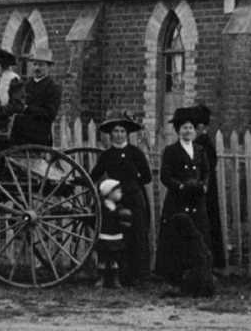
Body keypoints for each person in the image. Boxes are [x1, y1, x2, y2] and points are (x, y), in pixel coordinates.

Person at [90, 110, 152, 285]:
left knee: (137, 234)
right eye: (116, 132)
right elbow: (95, 174)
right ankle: (118, 276)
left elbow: (147, 177)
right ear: (110, 135)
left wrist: (134, 178)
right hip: (116, 200)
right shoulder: (107, 155)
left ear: (127, 134)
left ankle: (139, 276)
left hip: (134, 198)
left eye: (122, 132)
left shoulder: (135, 153)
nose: (119, 135)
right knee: (118, 237)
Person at [154, 106, 211, 283]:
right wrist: (179, 186)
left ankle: (197, 272)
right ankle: (174, 275)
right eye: (184, 128)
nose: (188, 131)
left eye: (191, 128)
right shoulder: (171, 151)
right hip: (178, 199)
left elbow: (207, 171)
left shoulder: (200, 150)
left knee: (197, 233)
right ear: (178, 131)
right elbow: (165, 176)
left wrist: (203, 186)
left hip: (196, 199)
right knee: (176, 234)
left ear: (195, 131)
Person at [192, 103, 226, 270]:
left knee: (206, 224)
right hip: (204, 187)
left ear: (199, 127)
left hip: (204, 189)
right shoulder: (203, 143)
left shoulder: (202, 145)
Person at [10, 47, 61, 147]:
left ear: (48, 67)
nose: (37, 68)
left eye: (41, 65)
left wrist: (27, 109)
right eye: (35, 64)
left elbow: (50, 114)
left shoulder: (53, 87)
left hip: (39, 135)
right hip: (20, 134)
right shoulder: (25, 84)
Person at [96, 179, 132, 289]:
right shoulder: (101, 207)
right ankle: (101, 279)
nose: (120, 193)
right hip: (104, 236)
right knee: (102, 259)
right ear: (109, 193)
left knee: (114, 260)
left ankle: (115, 280)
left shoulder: (119, 207)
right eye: (118, 191)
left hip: (116, 237)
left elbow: (124, 220)